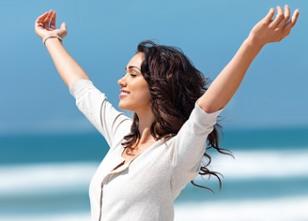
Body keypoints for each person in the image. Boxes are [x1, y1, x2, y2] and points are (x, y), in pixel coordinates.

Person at [34, 5, 299, 221]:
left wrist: (254, 44)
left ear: (157, 86)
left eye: (132, 74)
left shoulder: (176, 152)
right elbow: (83, 90)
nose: (121, 81)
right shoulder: (122, 136)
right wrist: (50, 39)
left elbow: (206, 107)